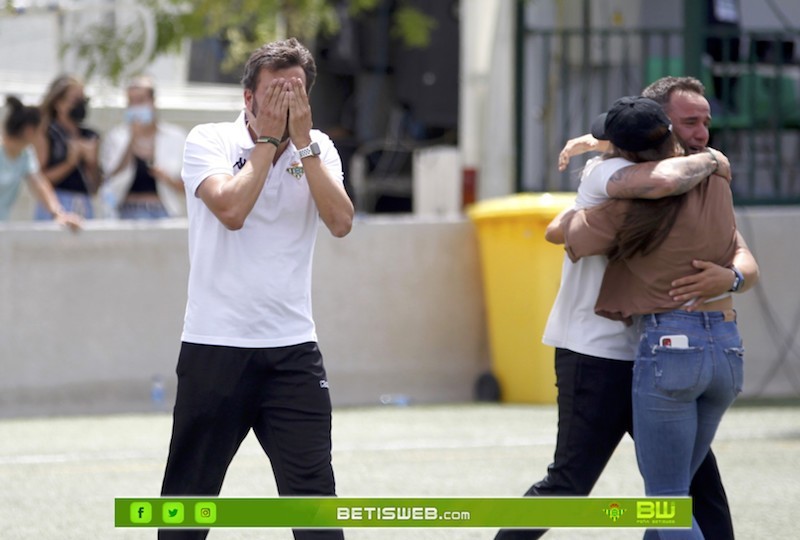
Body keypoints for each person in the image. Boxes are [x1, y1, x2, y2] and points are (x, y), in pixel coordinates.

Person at [494, 77, 758, 540]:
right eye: (689, 123)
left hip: (660, 353)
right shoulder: (608, 173)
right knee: (573, 486)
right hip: (597, 352)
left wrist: (731, 276)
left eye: (706, 124)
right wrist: (715, 160)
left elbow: (740, 252)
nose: (701, 134)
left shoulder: (700, 181)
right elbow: (564, 228)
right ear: (662, 130)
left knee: (689, 491)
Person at [159, 37, 354, 540]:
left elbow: (340, 222)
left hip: (292, 351)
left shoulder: (319, 148)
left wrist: (303, 143)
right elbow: (231, 211)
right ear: (248, 98)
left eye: (296, 93)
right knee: (187, 502)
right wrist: (267, 143)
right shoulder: (209, 140)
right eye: (274, 94)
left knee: (315, 506)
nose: (285, 105)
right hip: (216, 348)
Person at [556, 96, 744, 539]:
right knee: (693, 490)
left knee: (667, 501)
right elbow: (743, 257)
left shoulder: (629, 204)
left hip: (669, 348)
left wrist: (589, 198)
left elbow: (562, 234)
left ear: (627, 152)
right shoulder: (717, 181)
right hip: (726, 344)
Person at [99, 75, 187, 219]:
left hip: (164, 212)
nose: (136, 107)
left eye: (140, 101)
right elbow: (109, 174)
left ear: (152, 102)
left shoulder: (176, 138)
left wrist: (165, 177)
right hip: (124, 212)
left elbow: (188, 187)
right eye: (131, 102)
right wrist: (132, 138)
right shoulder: (117, 136)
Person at [0, 96, 81, 229]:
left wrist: (58, 214)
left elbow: (39, 183)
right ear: (29, 131)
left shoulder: (26, 155)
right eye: (42, 131)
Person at [34, 74, 100, 219]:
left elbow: (95, 187)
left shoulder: (89, 135)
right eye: (75, 100)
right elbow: (39, 179)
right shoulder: (46, 133)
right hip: (55, 203)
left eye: (83, 101)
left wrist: (92, 163)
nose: (80, 105)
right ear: (58, 103)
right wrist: (69, 163)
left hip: (83, 203)